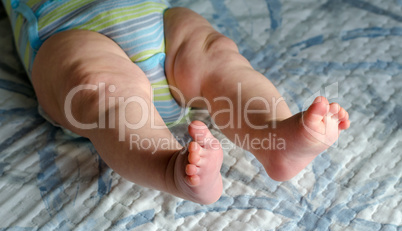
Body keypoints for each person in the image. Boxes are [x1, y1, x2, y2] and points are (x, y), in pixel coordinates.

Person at [3, 0, 349, 204]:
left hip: (159, 25)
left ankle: (273, 136)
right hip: (66, 32)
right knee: (101, 87)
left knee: (217, 56)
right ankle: (169, 168)